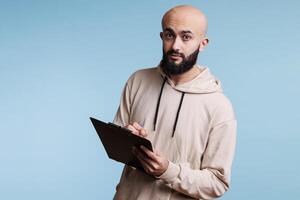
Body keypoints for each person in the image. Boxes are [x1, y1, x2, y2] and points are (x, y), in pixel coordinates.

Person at [112, 5, 237, 200]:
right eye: (170, 35)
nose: (176, 46)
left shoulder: (219, 107)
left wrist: (167, 171)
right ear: (162, 37)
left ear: (202, 43)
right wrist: (128, 138)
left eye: (186, 37)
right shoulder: (137, 80)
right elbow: (115, 145)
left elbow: (217, 183)